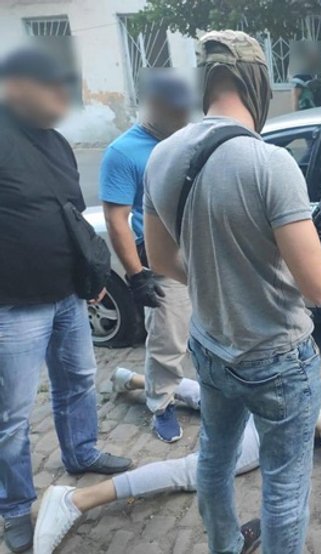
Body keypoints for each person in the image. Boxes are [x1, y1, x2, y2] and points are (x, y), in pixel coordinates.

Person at [143, 31, 321, 554]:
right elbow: (318, 286)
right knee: (284, 487)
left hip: (210, 347)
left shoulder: (162, 155)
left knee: (215, 456)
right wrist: (318, 248)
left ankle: (225, 545)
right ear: (258, 83)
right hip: (277, 357)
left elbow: (160, 259)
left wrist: (217, 279)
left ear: (204, 83)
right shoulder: (271, 163)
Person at [33, 365, 321, 553]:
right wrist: (298, 411)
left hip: (282, 396)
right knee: (195, 471)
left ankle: (134, 379)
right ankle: (75, 499)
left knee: (209, 400)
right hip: (287, 417)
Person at [0, 47, 132, 553]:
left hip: (68, 297)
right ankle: (16, 507)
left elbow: (72, 214)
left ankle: (80, 452)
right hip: (15, 305)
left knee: (77, 380)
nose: (62, 99)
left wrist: (91, 275)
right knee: (12, 415)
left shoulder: (56, 143)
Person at [99, 71, 193, 443]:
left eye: (185, 109)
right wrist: (136, 275)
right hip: (161, 259)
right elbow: (116, 219)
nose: (182, 116)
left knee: (214, 330)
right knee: (168, 339)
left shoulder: (188, 139)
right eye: (174, 110)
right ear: (152, 105)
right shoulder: (123, 152)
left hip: (200, 250)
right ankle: (161, 403)